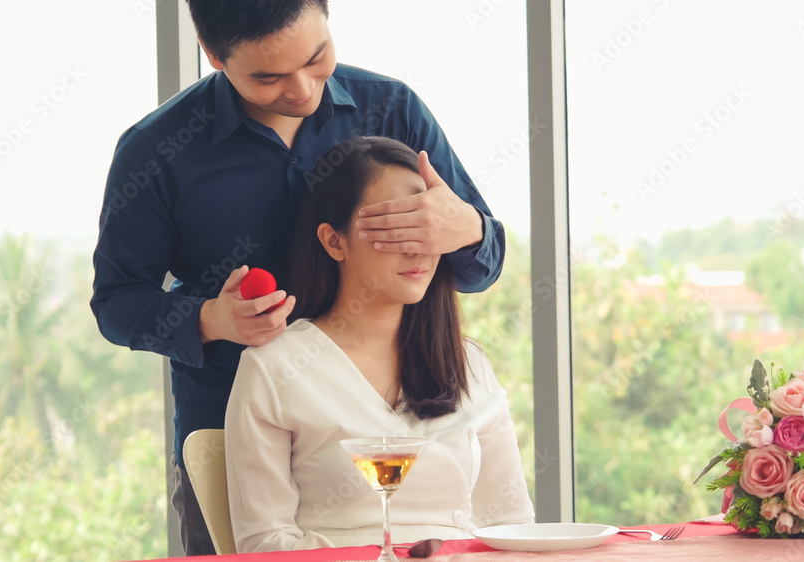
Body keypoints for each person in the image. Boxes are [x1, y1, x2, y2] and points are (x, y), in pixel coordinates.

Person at [90, 0, 506, 555]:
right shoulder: (157, 151)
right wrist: (210, 318)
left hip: (399, 425)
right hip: (234, 436)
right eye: (268, 77)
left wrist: (469, 227)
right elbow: (116, 303)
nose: (304, 91)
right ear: (214, 55)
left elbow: (483, 263)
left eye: (317, 58)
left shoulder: (393, 109)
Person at [224, 137, 533, 553]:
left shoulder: (469, 365)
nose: (415, 246)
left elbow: (511, 524)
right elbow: (264, 544)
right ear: (335, 241)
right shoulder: (275, 368)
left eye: (425, 225)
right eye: (392, 226)